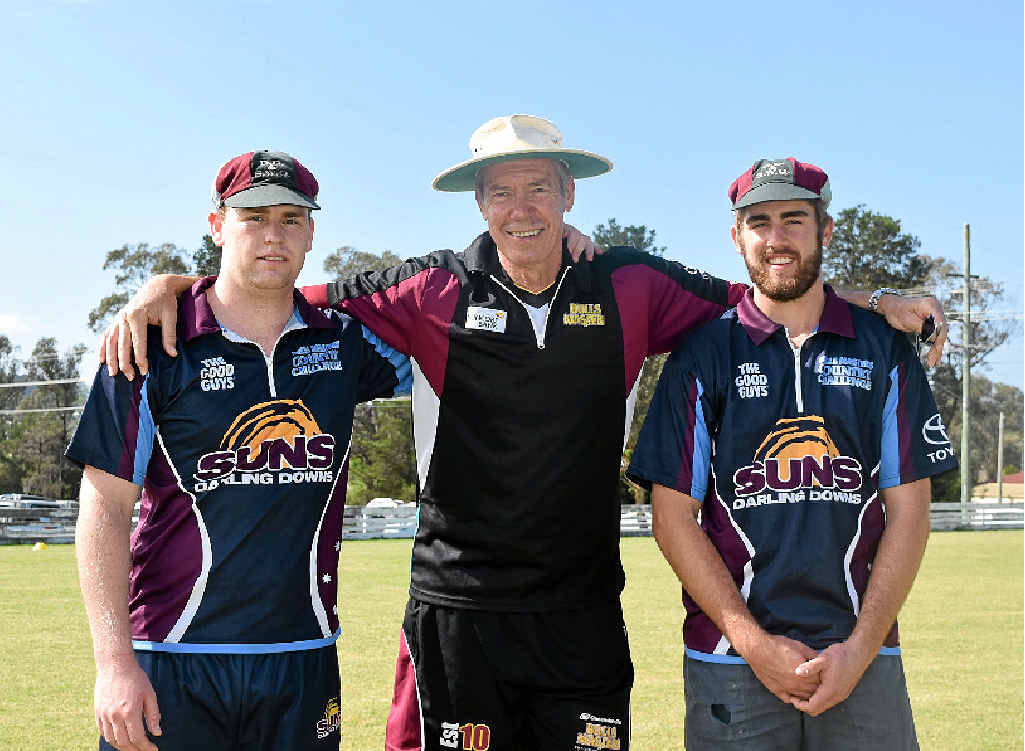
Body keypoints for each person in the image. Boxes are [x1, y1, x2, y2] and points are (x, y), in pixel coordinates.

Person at [100, 118, 948, 751]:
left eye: (538, 187)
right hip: (457, 614)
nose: (521, 208)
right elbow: (277, 292)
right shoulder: (426, 288)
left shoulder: (630, 283)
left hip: (581, 612)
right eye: (501, 191)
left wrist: (876, 303)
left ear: (568, 193)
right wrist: (172, 285)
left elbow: (764, 293)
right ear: (478, 203)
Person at [67, 150, 412, 751]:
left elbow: (458, 328)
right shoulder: (150, 345)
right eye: (253, 217)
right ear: (217, 226)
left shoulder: (346, 342)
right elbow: (104, 510)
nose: (273, 235)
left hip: (303, 657)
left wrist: (559, 251)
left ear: (311, 233)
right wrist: (114, 664)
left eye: (290, 219)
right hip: (171, 655)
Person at [626, 157, 958, 750]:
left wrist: (860, 648)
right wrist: (754, 644)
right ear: (737, 237)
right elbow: (673, 518)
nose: (776, 238)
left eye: (794, 220)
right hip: (729, 658)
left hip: (863, 655)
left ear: (825, 230)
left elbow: (910, 512)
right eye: (759, 223)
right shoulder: (703, 354)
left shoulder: (883, 349)